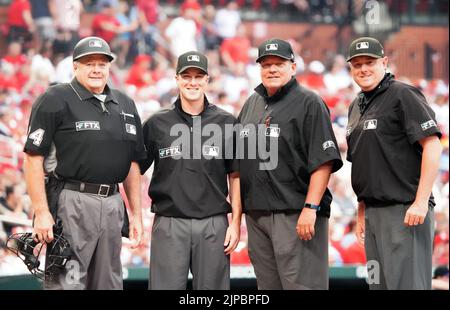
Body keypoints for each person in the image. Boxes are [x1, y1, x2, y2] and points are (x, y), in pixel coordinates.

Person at [23, 36, 146, 289]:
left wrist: (136, 214)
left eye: (102, 63)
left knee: (108, 282)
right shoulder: (55, 98)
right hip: (72, 200)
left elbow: (133, 163)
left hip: (112, 202)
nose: (96, 69)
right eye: (89, 63)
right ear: (75, 66)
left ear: (110, 67)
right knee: (67, 282)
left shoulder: (125, 103)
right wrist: (42, 212)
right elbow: (33, 157)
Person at [237, 38, 343, 290]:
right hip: (258, 215)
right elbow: (238, 160)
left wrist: (310, 207)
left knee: (302, 286)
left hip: (296, 213)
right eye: (266, 64)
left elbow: (324, 160)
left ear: (293, 67)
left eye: (279, 63)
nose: (272, 69)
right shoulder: (252, 103)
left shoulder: (309, 102)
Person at [345, 37, 443, 290]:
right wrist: (362, 212)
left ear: (384, 62)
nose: (363, 69)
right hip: (373, 213)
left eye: (370, 62)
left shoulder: (403, 94)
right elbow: (365, 164)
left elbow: (432, 146)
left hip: (404, 210)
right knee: (379, 286)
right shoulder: (356, 105)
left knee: (407, 286)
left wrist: (421, 202)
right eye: (357, 64)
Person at [139, 51, 241, 290]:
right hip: (169, 222)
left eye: (198, 76)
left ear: (207, 80)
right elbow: (135, 168)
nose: (192, 82)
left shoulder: (227, 122)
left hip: (214, 223)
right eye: (187, 76)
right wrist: (136, 215)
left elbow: (235, 175)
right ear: (177, 79)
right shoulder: (156, 123)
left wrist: (235, 223)